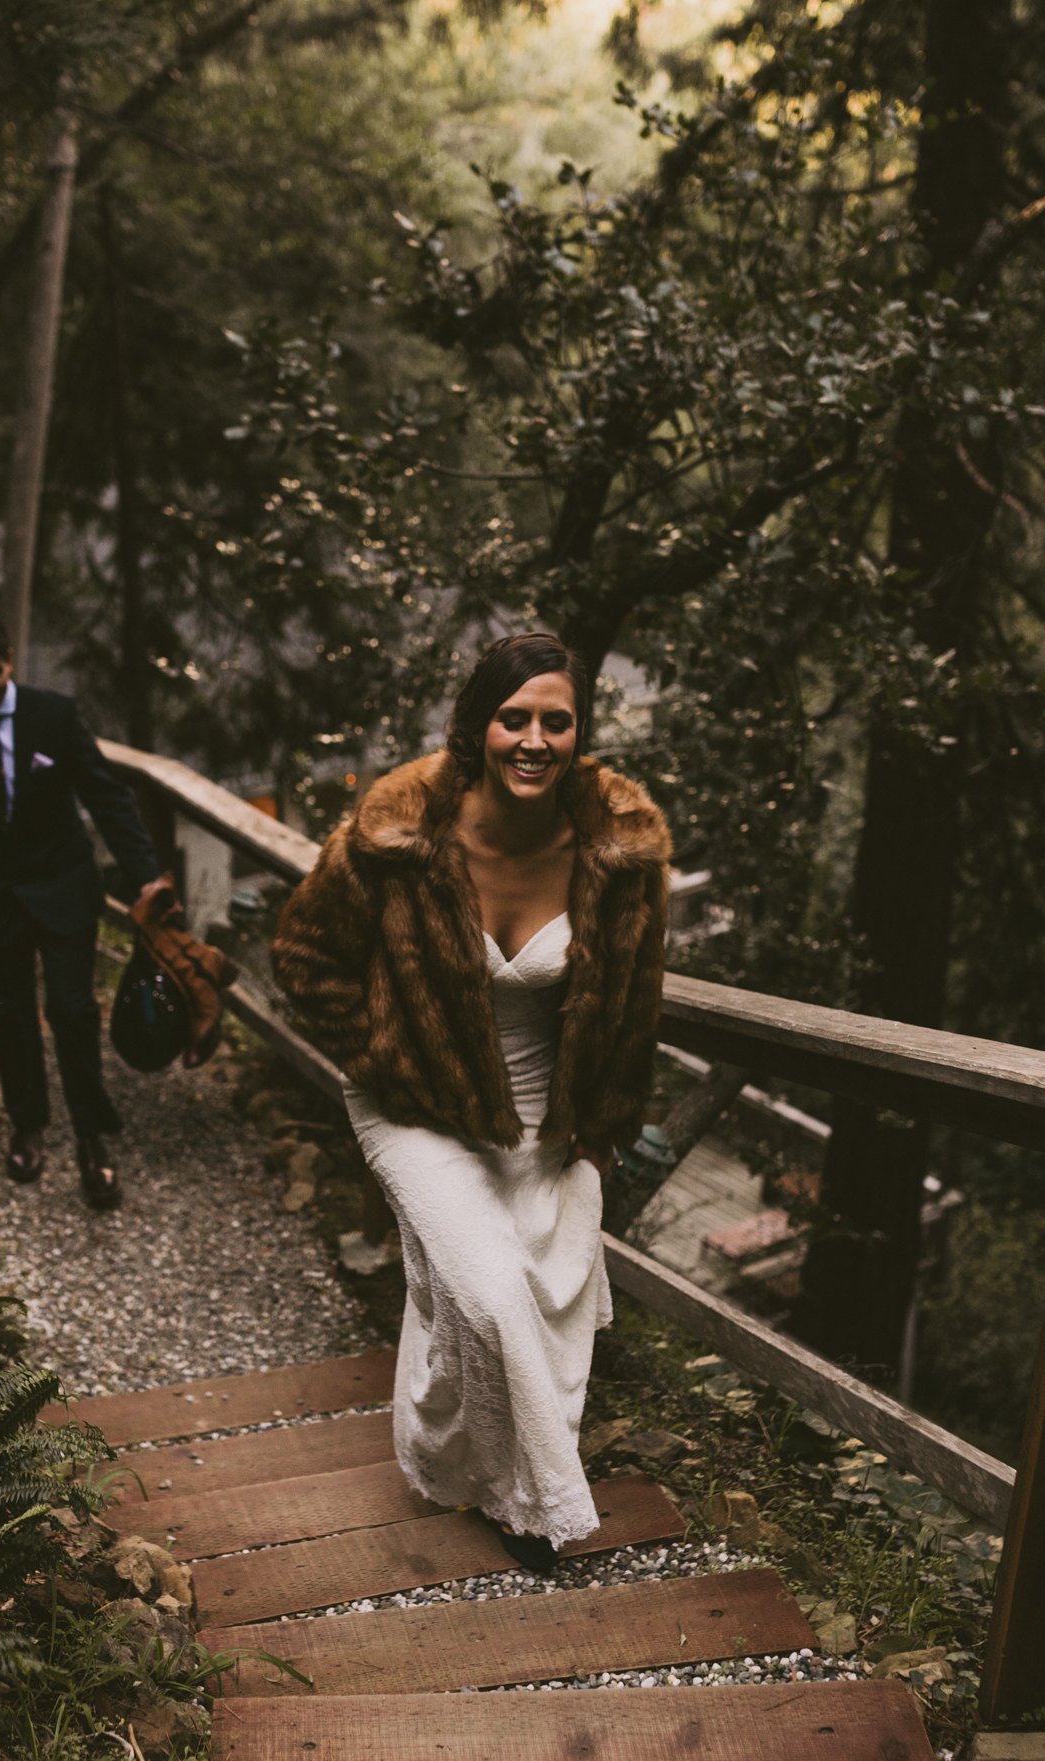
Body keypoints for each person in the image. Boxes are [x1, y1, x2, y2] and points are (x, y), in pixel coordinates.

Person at [272, 632, 672, 1571]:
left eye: (556, 721)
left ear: (580, 733)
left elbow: (635, 999)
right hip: (413, 1107)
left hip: (549, 1119)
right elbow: (302, 957)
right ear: (475, 726)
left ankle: (474, 1463)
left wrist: (607, 1119)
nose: (534, 740)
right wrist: (388, 1055)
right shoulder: (395, 836)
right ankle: (541, 1508)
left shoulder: (621, 853)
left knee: (547, 1301)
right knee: (492, 1299)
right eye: (514, 718)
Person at [0, 601, 168, 1211]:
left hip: (64, 885)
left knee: (72, 1009)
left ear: (10, 661)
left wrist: (146, 878)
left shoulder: (55, 715)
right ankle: (28, 1124)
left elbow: (108, 798)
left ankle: (92, 1137)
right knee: (10, 1012)